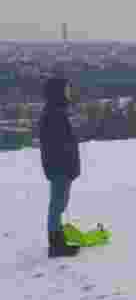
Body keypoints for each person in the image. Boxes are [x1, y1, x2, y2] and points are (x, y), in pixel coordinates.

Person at [38, 77, 81, 258]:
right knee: (57, 204)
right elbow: (58, 146)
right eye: (66, 89)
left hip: (61, 167)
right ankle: (56, 244)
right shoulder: (54, 114)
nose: (68, 93)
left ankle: (57, 239)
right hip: (59, 167)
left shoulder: (56, 112)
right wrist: (68, 166)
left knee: (59, 204)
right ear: (58, 92)